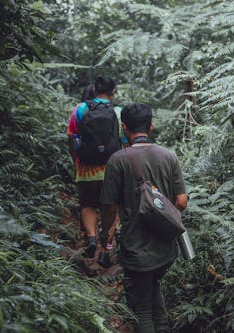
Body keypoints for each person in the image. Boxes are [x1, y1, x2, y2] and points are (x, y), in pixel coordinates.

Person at [99, 103, 188, 333]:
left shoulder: (117, 160)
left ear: (124, 127)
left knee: (142, 308)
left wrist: (105, 234)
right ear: (151, 126)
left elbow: (108, 207)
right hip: (165, 248)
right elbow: (181, 201)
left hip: (136, 247)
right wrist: (162, 217)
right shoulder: (169, 156)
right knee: (153, 289)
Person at [67, 76, 125, 258]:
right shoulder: (119, 112)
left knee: (87, 204)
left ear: (94, 89)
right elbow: (125, 142)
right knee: (111, 207)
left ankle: (92, 238)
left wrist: (76, 161)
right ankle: (106, 247)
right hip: (113, 168)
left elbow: (71, 138)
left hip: (87, 168)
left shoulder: (80, 109)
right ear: (113, 91)